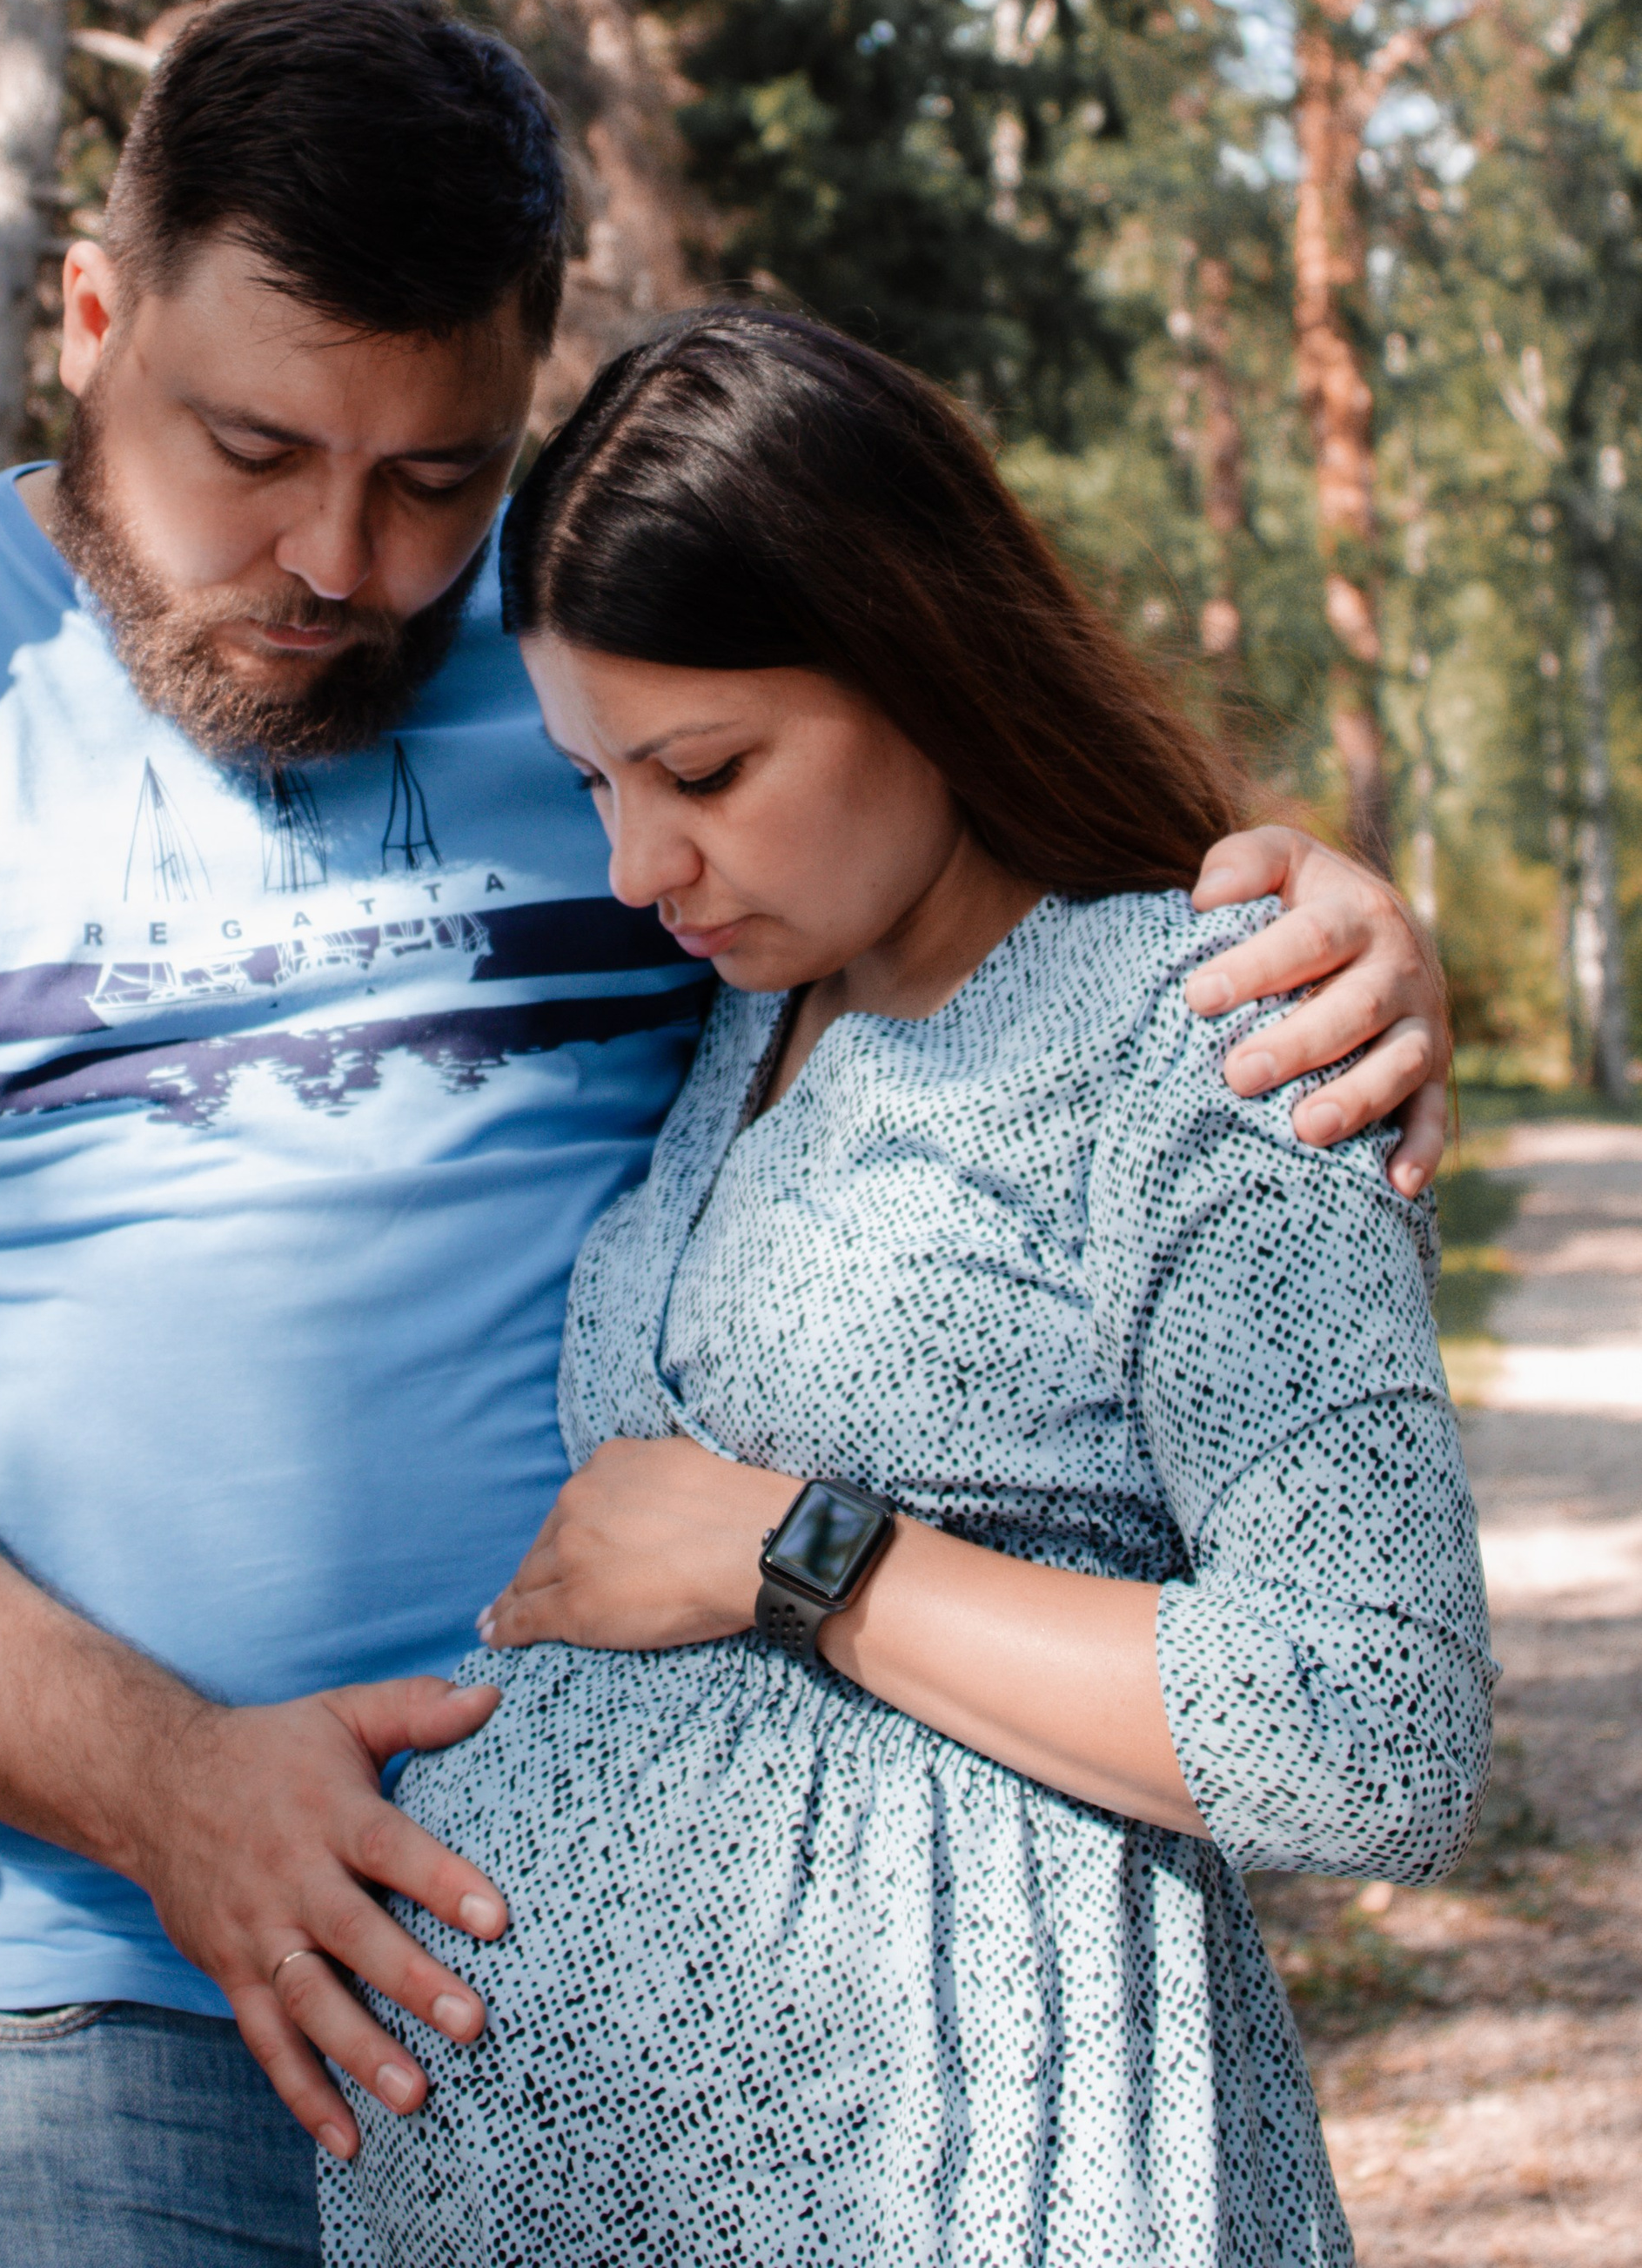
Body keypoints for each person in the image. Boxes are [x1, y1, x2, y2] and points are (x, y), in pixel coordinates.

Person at [0, 0, 1454, 2268]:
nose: (345, 567)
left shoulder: (605, 651)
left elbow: (984, 907)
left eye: (434, 477)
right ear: (91, 312)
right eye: (252, 453)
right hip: (114, 2008)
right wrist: (177, 1794)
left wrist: (1309, 912)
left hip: (721, 2023)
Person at [321, 305, 1491, 2268]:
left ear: (913, 654)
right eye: (593, 780)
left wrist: (801, 1556)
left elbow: (1369, 1721)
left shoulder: (1196, 1038)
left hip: (984, 2179)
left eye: (698, 767)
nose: (634, 862)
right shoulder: (752, 1020)